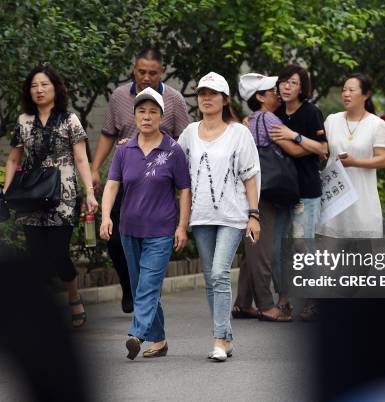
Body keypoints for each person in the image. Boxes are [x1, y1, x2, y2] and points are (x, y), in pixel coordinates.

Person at [91, 49, 190, 313]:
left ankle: (144, 303)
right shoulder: (119, 97)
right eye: (141, 71)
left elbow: (185, 139)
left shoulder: (174, 100)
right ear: (134, 70)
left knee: (153, 240)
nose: (146, 77)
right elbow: (107, 134)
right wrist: (94, 169)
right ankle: (131, 289)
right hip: (126, 174)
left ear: (162, 72)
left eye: (152, 73)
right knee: (115, 240)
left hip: (159, 178)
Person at [99, 87, 192, 360]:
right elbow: (112, 185)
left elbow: (184, 189)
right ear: (135, 115)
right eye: (142, 111)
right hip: (129, 229)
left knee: (148, 286)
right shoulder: (124, 150)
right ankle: (160, 340)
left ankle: (136, 334)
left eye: (153, 112)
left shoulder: (173, 151)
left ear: (162, 116)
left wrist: (181, 226)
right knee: (142, 285)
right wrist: (106, 216)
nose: (147, 117)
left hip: (161, 231)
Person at [3, 64, 98, 328]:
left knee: (58, 254)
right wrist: (5, 192)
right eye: (34, 86)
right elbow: (13, 159)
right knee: (37, 257)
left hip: (64, 196)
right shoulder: (24, 121)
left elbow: (81, 159)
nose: (39, 90)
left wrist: (89, 191)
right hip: (33, 196)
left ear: (55, 88)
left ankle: (73, 296)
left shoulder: (70, 120)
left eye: (44, 84)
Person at [177, 72, 261, 361]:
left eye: (213, 93)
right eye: (202, 93)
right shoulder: (188, 133)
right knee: (210, 279)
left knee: (218, 273)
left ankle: (218, 340)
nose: (207, 98)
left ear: (225, 99)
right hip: (200, 216)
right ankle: (226, 337)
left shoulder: (239, 133)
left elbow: (250, 176)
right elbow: (174, 168)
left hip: (232, 215)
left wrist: (254, 215)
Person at [232, 73, 308, 322]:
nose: (278, 93)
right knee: (262, 249)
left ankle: (243, 303)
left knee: (252, 248)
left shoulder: (251, 120)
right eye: (272, 91)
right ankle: (265, 304)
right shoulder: (268, 118)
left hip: (251, 188)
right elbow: (295, 150)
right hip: (266, 192)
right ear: (260, 97)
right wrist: (317, 146)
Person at [269, 64, 327, 322]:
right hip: (279, 189)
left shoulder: (311, 112)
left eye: (292, 82)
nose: (286, 86)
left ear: (302, 87)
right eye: (283, 81)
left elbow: (323, 148)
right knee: (277, 246)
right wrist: (304, 147)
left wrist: (295, 137)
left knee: (304, 244)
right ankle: (283, 298)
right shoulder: (276, 112)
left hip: (306, 190)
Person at [316, 73, 385, 238]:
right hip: (334, 198)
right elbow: (322, 148)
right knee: (329, 260)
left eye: (351, 90)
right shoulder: (332, 120)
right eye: (344, 90)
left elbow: (383, 159)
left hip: (362, 200)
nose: (346, 94)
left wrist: (354, 162)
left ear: (366, 95)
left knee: (359, 261)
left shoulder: (377, 124)